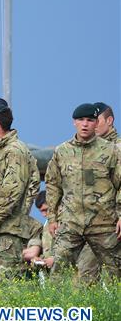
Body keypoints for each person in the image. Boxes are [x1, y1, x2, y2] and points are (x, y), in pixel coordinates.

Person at [46, 103, 121, 283]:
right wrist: (52, 217)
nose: (85, 124)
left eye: (90, 120)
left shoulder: (111, 151)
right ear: (74, 122)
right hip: (71, 223)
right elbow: (53, 184)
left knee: (116, 273)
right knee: (58, 272)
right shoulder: (62, 151)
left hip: (103, 223)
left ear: (96, 123)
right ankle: (57, 308)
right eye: (81, 120)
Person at [0, 98, 39, 281]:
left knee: (1, 288)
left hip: (8, 234)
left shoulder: (14, 152)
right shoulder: (4, 152)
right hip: (3, 232)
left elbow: (13, 191)